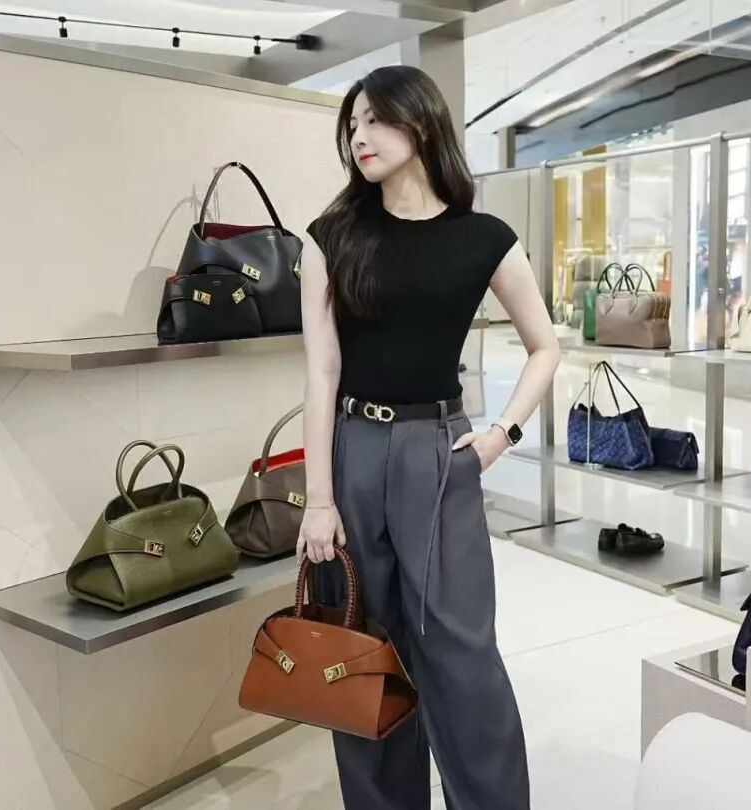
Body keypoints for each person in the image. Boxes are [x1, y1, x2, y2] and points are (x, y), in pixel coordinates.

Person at [298, 65, 560, 810]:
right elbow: (321, 373)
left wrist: (501, 434)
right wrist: (318, 500)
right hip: (354, 450)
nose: (360, 136)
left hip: (440, 452)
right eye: (351, 125)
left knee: (460, 651)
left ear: (418, 123)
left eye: (375, 120)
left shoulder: (483, 238)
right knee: (364, 648)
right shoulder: (330, 238)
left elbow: (546, 346)